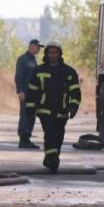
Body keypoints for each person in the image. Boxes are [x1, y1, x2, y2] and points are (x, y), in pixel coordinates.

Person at [24, 40, 81, 172]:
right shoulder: (39, 71)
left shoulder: (69, 72)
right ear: (46, 53)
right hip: (45, 110)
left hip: (62, 111)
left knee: (58, 136)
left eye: (55, 52)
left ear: (60, 54)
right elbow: (32, 91)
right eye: (50, 52)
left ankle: (50, 157)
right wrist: (30, 108)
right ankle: (52, 160)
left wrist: (73, 107)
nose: (53, 55)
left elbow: (75, 92)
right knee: (49, 133)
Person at [15, 39, 42, 148]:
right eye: (38, 47)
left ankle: (27, 139)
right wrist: (20, 90)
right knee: (25, 115)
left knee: (31, 115)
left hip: (33, 94)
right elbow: (19, 76)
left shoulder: (33, 59)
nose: (39, 49)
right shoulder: (23, 59)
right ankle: (23, 139)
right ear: (31, 46)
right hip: (25, 93)